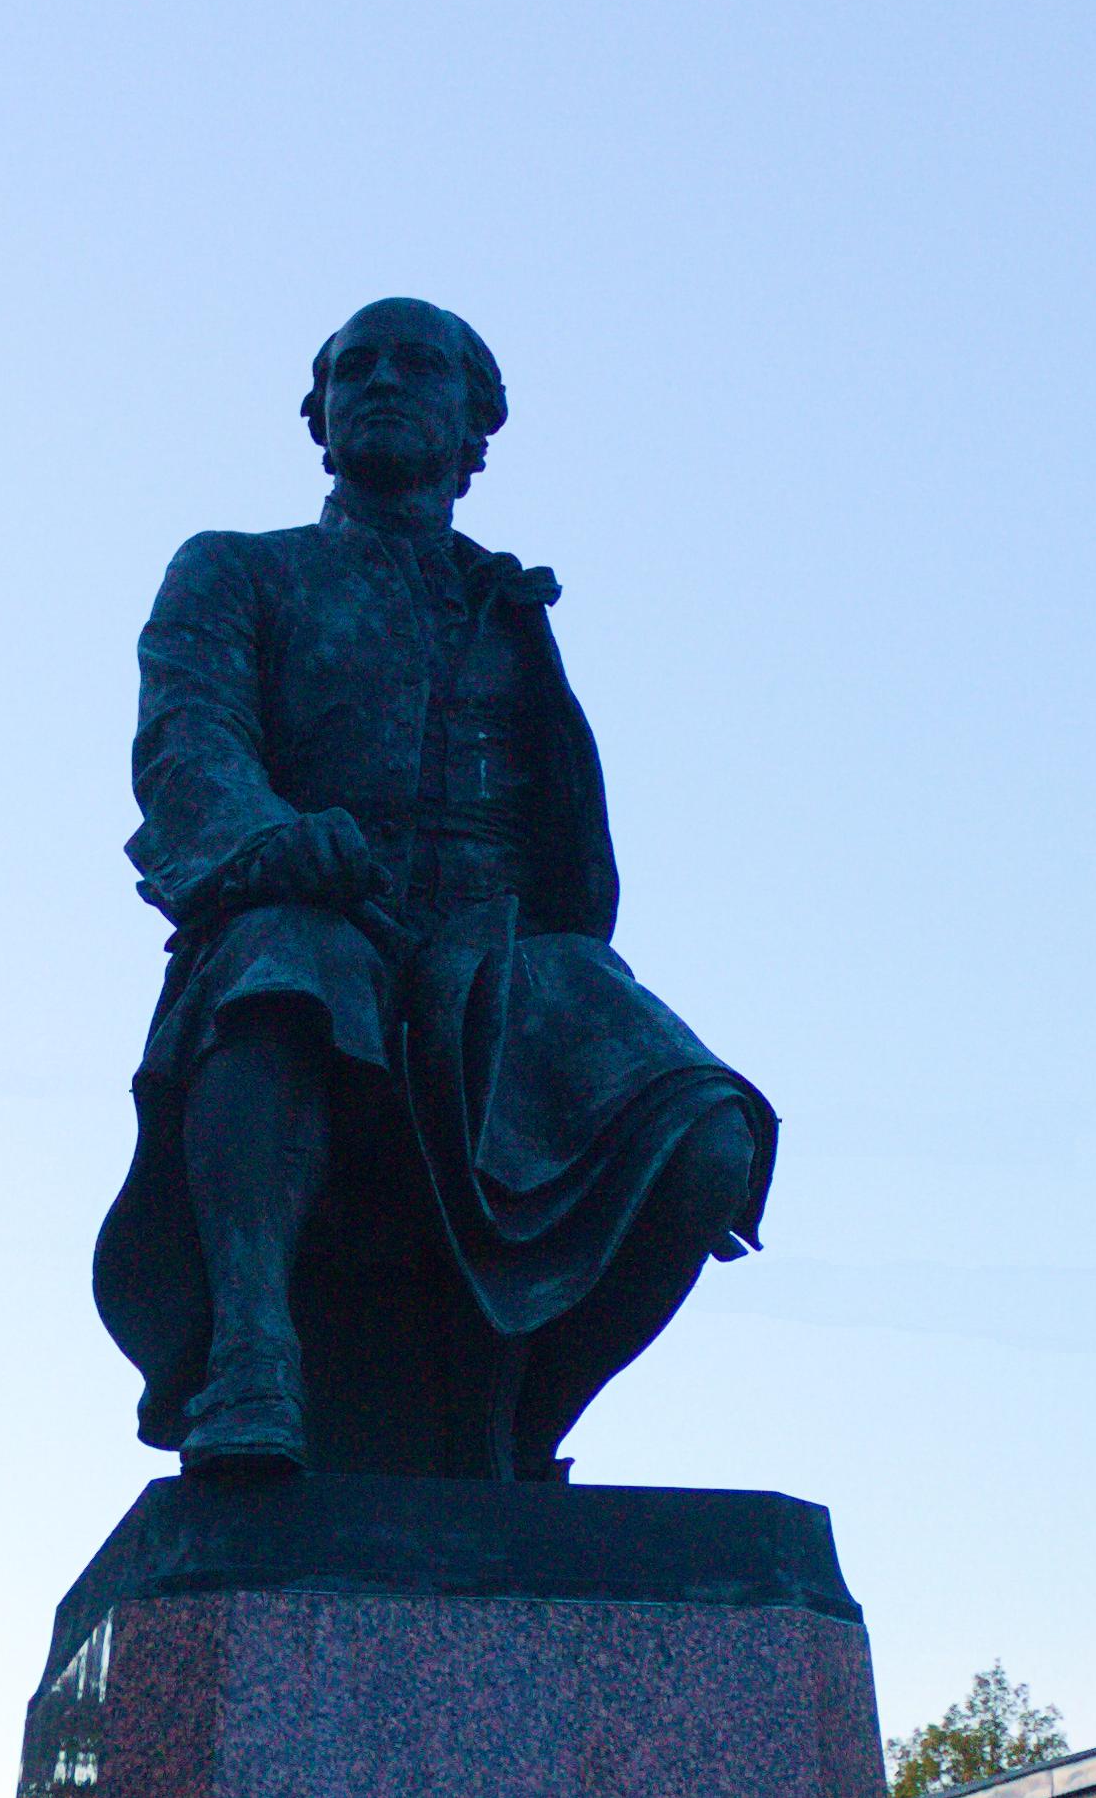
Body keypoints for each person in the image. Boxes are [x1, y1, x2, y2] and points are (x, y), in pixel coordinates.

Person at [95, 297, 775, 1480]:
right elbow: (187, 744)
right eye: (354, 368)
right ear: (317, 421)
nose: (381, 381)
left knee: (706, 1134)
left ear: (476, 429)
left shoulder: (509, 613)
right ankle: (256, 1358)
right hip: (315, 909)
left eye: (417, 366)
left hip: (500, 960)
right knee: (284, 964)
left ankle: (514, 1438)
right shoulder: (239, 571)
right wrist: (275, 838)